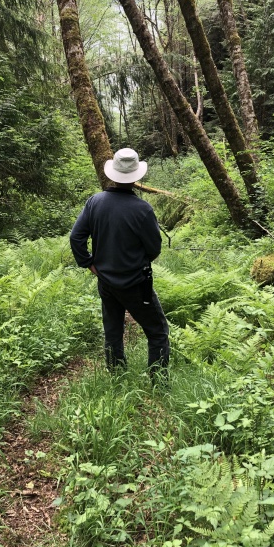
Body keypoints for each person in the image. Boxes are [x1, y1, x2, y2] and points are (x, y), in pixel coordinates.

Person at [70, 148, 170, 380]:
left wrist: (89, 264)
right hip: (136, 283)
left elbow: (76, 237)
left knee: (113, 331)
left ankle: (117, 376)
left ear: (113, 174)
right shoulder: (142, 209)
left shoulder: (95, 202)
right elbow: (154, 248)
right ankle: (158, 382)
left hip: (105, 281)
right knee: (158, 332)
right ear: (136, 177)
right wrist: (137, 262)